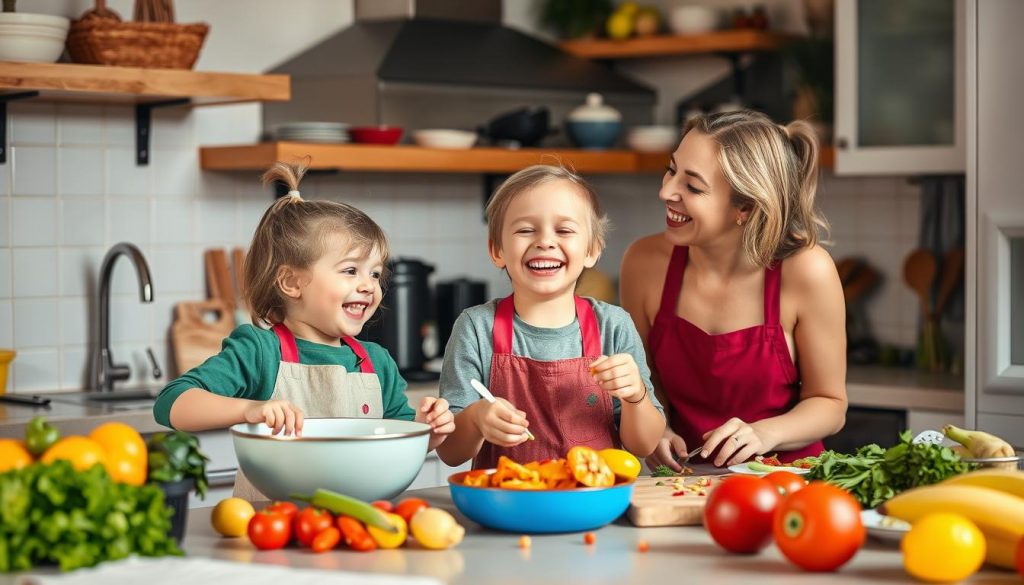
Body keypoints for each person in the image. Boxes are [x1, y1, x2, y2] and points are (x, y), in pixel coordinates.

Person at [152, 160, 454, 498]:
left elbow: (400, 438)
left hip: (356, 528)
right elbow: (171, 403)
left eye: (375, 273)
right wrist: (248, 409)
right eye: (351, 270)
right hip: (270, 531)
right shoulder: (260, 351)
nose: (369, 285)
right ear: (291, 282)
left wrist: (429, 432)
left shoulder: (376, 362)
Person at [620, 111, 847, 471]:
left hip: (786, 481)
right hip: (683, 480)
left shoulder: (807, 271)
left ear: (746, 207)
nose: (666, 191)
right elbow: (646, 380)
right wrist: (656, 425)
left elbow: (830, 403)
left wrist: (765, 433)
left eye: (693, 186)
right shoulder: (644, 262)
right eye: (671, 169)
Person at [436, 164, 665, 469]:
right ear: (497, 250)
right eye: (526, 229)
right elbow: (450, 453)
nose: (545, 241)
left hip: (594, 506)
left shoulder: (614, 325)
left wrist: (636, 396)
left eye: (564, 230)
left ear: (592, 250)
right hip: (508, 506)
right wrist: (477, 418)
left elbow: (644, 445)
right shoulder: (476, 328)